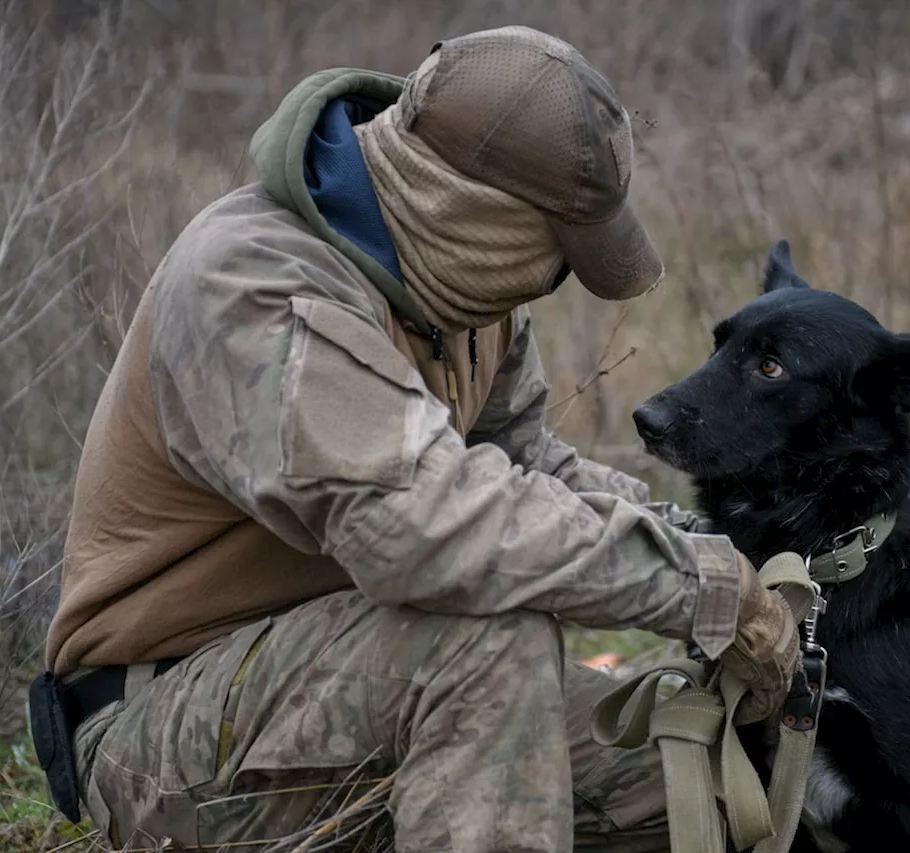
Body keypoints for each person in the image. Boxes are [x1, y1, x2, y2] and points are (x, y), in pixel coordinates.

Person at [41, 25, 810, 853]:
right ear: (480, 215)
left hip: (367, 676)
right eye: (555, 255)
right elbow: (426, 528)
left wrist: (712, 544)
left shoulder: (460, 298)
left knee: (697, 760)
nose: (548, 283)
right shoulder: (254, 288)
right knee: (486, 642)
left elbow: (527, 470)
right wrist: (701, 590)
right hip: (167, 729)